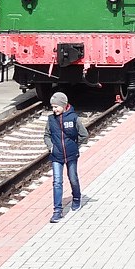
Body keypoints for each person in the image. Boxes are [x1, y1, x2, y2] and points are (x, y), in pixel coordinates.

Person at [44, 91, 82, 223]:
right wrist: (51, 147)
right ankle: (57, 211)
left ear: (64, 105)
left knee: (73, 178)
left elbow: (84, 135)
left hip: (71, 154)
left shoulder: (73, 118)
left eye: (56, 107)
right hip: (56, 155)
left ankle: (76, 198)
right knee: (57, 182)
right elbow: (47, 135)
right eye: (52, 107)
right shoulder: (51, 120)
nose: (54, 110)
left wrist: (76, 146)